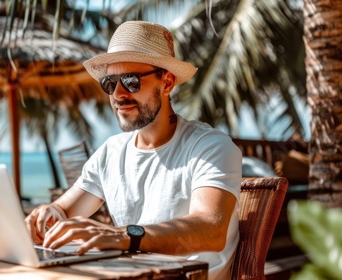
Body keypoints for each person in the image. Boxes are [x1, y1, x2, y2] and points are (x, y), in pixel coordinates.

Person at [25, 20, 242, 280]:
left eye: (130, 81)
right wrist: (50, 214)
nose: (117, 94)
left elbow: (210, 230)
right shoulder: (111, 153)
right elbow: (64, 211)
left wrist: (122, 235)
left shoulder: (210, 147)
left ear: (167, 83)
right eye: (109, 83)